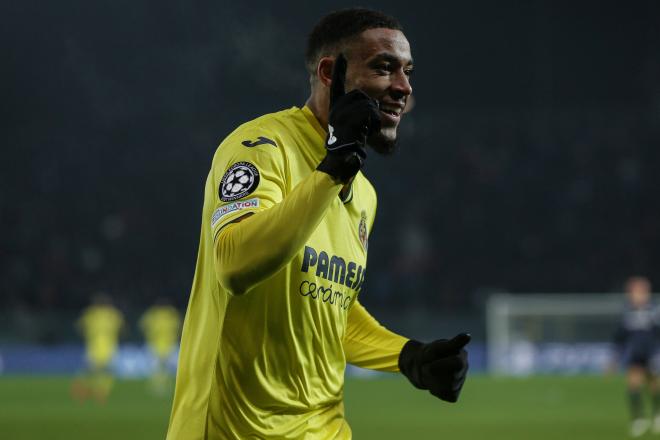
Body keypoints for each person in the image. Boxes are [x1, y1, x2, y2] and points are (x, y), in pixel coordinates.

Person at [167, 8, 470, 439]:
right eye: (384, 67)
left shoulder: (363, 193)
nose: (403, 87)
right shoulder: (260, 148)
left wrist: (408, 356)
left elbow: (331, 310)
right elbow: (234, 265)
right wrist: (331, 171)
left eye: (407, 71)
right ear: (331, 72)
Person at [614, 276, 660, 437]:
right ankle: (638, 419)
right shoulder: (627, 311)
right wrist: (614, 357)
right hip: (635, 353)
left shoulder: (654, 310)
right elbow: (620, 336)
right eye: (633, 291)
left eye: (640, 291)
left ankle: (657, 415)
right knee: (633, 385)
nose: (636, 295)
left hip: (652, 352)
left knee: (654, 384)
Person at [71, 293, 124, 403]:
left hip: (93, 347)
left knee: (91, 370)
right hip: (109, 347)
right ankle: (100, 392)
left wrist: (87, 334)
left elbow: (79, 327)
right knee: (108, 371)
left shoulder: (90, 314)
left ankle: (81, 388)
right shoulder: (113, 314)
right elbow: (122, 329)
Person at [140, 299, 182, 394]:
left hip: (157, 345)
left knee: (157, 368)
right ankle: (169, 386)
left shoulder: (153, 314)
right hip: (169, 344)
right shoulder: (172, 314)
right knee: (171, 367)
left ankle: (158, 386)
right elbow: (179, 327)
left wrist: (149, 335)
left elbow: (143, 325)